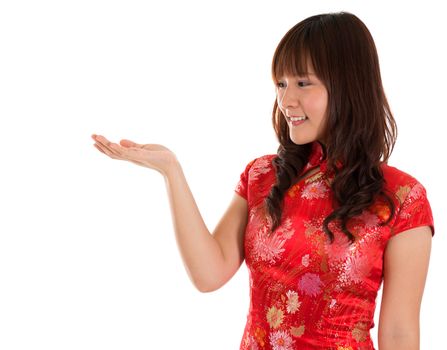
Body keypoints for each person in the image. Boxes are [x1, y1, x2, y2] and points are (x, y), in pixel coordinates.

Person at [91, 11, 434, 350]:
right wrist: (170, 170)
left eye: (303, 83)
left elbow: (400, 333)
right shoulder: (262, 176)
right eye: (281, 84)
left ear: (348, 84)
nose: (286, 101)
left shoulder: (402, 197)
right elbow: (209, 274)